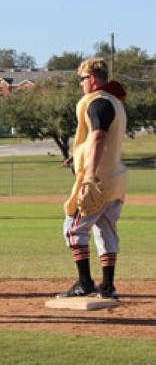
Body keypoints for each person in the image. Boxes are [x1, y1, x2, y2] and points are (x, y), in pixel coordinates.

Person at [60, 58, 127, 300]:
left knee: (73, 229)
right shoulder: (115, 103)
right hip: (116, 179)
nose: (81, 84)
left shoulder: (97, 102)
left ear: (93, 79)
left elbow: (98, 137)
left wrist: (89, 175)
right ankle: (107, 287)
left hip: (97, 180)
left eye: (82, 79)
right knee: (106, 229)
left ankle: (85, 283)